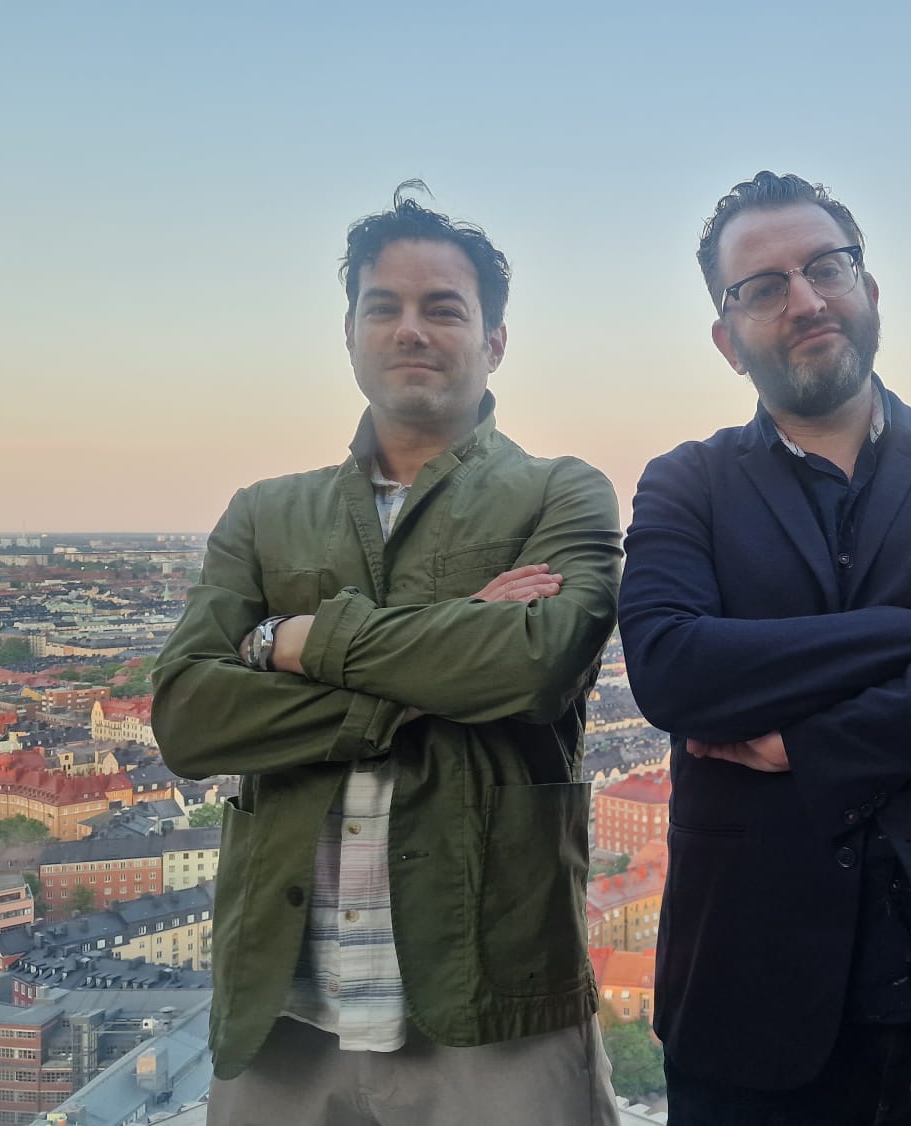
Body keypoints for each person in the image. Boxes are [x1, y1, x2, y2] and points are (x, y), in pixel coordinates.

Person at [618, 171, 911, 1125]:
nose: (803, 299)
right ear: (726, 338)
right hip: (750, 1013)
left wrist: (807, 742)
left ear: (868, 291)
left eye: (825, 267)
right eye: (762, 286)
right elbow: (672, 669)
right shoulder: (686, 484)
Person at [153, 182, 623, 1126]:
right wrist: (441, 660)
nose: (412, 329)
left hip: (500, 995)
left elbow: (535, 667)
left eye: (443, 308)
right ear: (351, 333)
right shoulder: (262, 511)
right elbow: (188, 717)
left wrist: (295, 644)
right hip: (282, 1008)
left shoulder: (562, 493)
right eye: (386, 307)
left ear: (493, 342)